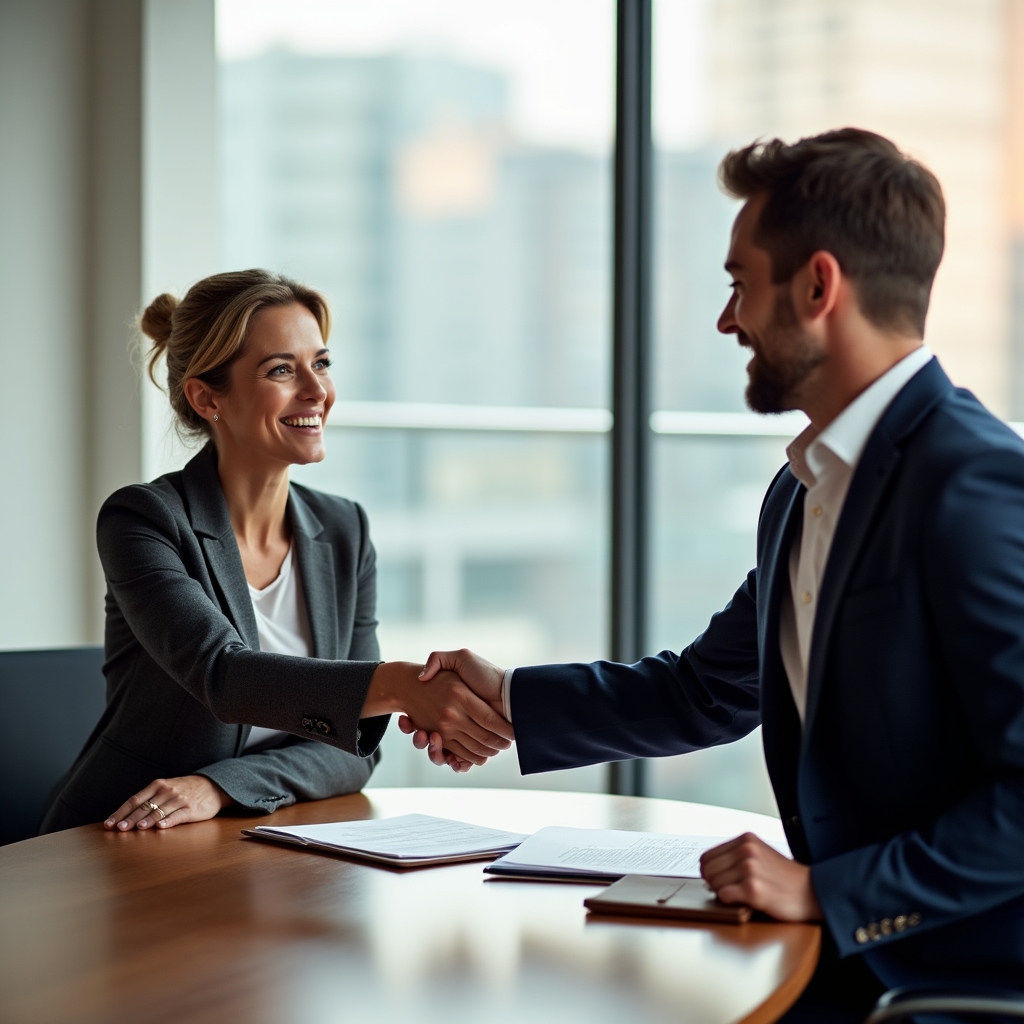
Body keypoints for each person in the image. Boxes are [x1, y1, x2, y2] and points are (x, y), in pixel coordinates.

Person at [403, 129, 1024, 1019]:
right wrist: (511, 699)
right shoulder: (802, 488)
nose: (726, 321)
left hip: (949, 982)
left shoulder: (975, 482)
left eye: (739, 285)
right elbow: (706, 691)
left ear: (818, 287)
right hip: (827, 958)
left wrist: (827, 894)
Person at [41, 270, 510, 836]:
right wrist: (400, 685)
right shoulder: (143, 520)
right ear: (206, 397)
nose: (317, 390)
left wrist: (220, 786)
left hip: (253, 836)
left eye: (323, 363)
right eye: (282, 370)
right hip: (124, 836)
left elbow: (353, 752)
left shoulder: (344, 529)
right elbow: (225, 677)